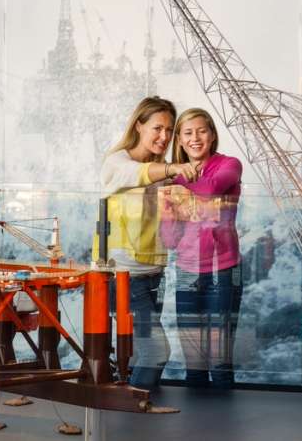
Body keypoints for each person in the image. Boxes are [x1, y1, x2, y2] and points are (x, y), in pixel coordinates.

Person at [97, 96, 197, 390]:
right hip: (123, 275)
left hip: (155, 272)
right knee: (156, 351)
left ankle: (133, 418)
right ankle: (136, 409)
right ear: (139, 126)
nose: (164, 136)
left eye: (169, 130)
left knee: (140, 351)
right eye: (157, 128)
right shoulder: (118, 163)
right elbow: (136, 174)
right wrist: (173, 170)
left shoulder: (162, 172)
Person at [160, 107, 243, 389]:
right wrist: (169, 208)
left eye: (201, 131)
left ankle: (224, 429)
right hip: (186, 271)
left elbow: (212, 188)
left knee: (220, 362)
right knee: (193, 365)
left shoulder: (229, 164)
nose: (195, 138)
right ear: (180, 141)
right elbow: (169, 239)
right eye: (188, 133)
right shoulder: (172, 178)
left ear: (212, 135)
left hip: (224, 271)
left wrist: (178, 190)